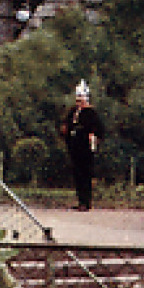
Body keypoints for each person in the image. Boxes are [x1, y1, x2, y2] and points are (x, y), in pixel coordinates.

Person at [60, 80, 105, 211]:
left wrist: (93, 136)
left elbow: (99, 129)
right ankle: (80, 201)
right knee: (77, 175)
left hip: (85, 148)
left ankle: (86, 202)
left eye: (81, 100)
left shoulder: (91, 113)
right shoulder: (73, 111)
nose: (79, 102)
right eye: (77, 99)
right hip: (75, 147)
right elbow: (67, 124)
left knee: (85, 175)